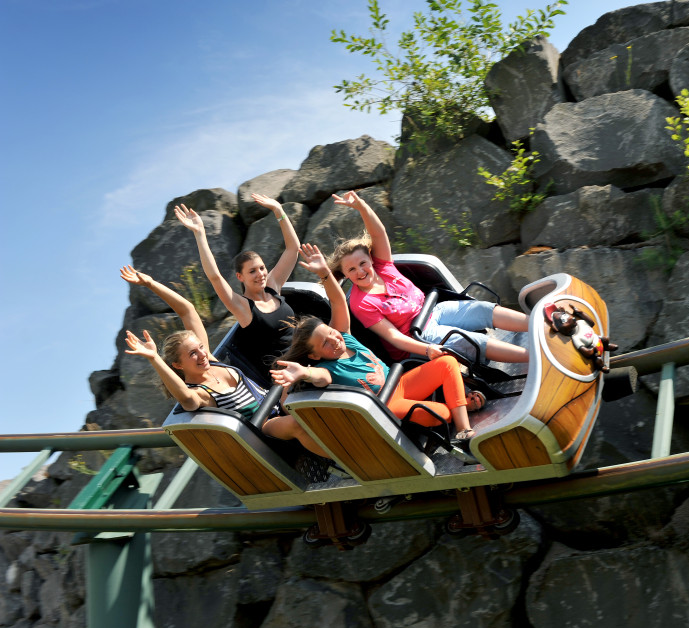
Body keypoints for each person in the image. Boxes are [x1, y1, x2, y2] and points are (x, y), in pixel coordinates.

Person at [271, 244, 484, 442]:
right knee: (440, 414)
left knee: (447, 362)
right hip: (386, 404)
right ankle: (457, 406)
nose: (334, 340)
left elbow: (336, 301)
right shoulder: (326, 369)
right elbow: (317, 377)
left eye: (331, 333)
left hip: (399, 382)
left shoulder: (344, 336)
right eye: (325, 343)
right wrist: (303, 373)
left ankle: (463, 428)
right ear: (315, 356)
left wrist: (325, 274)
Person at [119, 265, 330, 458]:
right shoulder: (201, 392)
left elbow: (187, 310)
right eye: (193, 353)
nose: (202, 354)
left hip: (274, 402)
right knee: (296, 423)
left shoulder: (211, 362)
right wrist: (155, 358)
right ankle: (347, 462)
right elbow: (186, 399)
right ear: (178, 365)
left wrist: (149, 283)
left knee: (311, 374)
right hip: (262, 427)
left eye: (201, 348)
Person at [327, 190, 530, 364]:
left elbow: (379, 234)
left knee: (481, 308)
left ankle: (539, 324)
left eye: (362, 263)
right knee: (467, 340)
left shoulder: (382, 266)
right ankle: (533, 357)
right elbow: (393, 336)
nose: (360, 271)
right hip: (417, 336)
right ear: (344, 274)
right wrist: (426, 350)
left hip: (432, 311)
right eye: (351, 270)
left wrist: (362, 207)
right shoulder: (360, 303)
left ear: (371, 260)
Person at [174, 193, 299, 383]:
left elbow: (292, 249)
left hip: (303, 356)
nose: (261, 274)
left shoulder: (273, 286)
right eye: (252, 272)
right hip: (282, 376)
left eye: (262, 268)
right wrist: (199, 234)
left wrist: (278, 211)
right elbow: (215, 277)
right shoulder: (242, 307)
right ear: (240, 277)